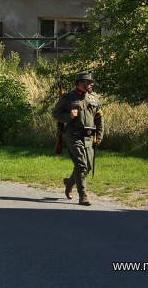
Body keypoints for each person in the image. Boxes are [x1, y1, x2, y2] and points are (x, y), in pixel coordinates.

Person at [52, 71, 103, 206]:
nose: (91, 84)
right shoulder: (68, 98)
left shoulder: (94, 98)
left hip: (89, 136)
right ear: (80, 83)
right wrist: (69, 116)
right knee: (81, 165)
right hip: (73, 135)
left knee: (88, 166)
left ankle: (69, 182)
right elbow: (56, 113)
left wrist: (100, 135)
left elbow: (99, 118)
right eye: (88, 82)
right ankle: (83, 196)